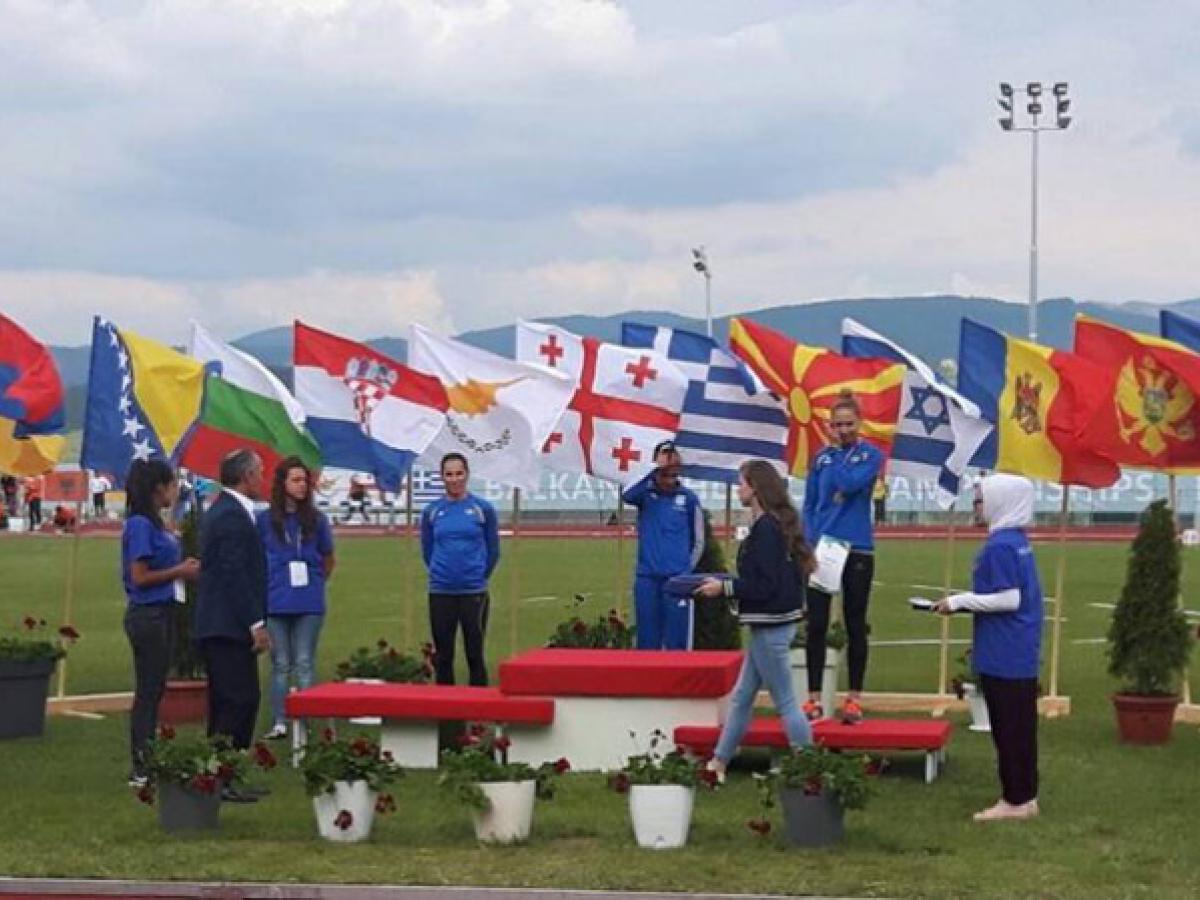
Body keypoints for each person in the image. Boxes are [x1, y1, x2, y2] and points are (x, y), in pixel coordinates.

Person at [932, 473, 1043, 821]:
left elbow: (1009, 599)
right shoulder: (1017, 541)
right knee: (1020, 727)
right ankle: (1025, 794)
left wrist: (959, 601)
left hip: (1004, 648)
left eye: (980, 500)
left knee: (1008, 726)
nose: (976, 506)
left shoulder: (1000, 546)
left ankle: (1015, 799)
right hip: (1018, 647)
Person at [696, 460, 813, 780]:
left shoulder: (766, 530)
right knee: (742, 698)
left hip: (771, 626)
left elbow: (764, 585)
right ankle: (719, 762)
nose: (739, 489)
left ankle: (809, 765)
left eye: (742, 483)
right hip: (771, 624)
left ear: (756, 488)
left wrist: (724, 588)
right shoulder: (775, 525)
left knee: (785, 702)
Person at [803, 390, 883, 724]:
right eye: (838, 425)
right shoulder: (820, 459)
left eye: (849, 424)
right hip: (824, 549)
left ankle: (853, 699)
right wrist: (808, 544)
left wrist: (837, 456)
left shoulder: (871, 456)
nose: (844, 430)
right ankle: (812, 699)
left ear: (859, 423)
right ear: (830, 425)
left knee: (854, 622)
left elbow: (849, 484)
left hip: (856, 548)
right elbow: (811, 504)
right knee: (816, 623)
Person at [195, 449, 269, 801]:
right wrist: (255, 622)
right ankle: (222, 776)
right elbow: (234, 573)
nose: (262, 479)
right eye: (259, 472)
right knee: (238, 701)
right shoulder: (230, 516)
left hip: (222, 622)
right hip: (226, 624)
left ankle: (221, 774)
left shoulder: (228, 511)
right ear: (246, 476)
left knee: (230, 701)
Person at [121, 460, 200, 787]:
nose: (175, 491)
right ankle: (142, 764)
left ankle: (148, 757)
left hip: (162, 611)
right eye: (171, 485)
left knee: (154, 690)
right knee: (149, 691)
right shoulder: (140, 525)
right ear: (158, 489)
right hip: (148, 614)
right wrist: (179, 571)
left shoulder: (154, 523)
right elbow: (139, 577)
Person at [256, 457, 336, 740]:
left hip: (309, 602)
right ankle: (280, 720)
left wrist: (315, 582)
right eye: (296, 480)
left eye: (305, 480)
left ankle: (304, 720)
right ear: (282, 484)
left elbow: (328, 558)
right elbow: (256, 558)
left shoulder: (317, 520)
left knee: (304, 662)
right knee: (280, 664)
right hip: (275, 600)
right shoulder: (264, 521)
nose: (302, 485)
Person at [420, 453, 499, 686]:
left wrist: (477, 574)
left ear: (467, 475)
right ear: (442, 477)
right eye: (449, 474)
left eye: (458, 473)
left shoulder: (482, 509)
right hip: (441, 591)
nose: (454, 479)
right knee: (443, 656)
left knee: (475, 654)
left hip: (473, 591)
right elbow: (427, 549)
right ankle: (447, 708)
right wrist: (441, 572)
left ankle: (479, 705)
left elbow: (493, 550)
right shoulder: (432, 511)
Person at [622, 441, 704, 650]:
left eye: (673, 457)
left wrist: (684, 570)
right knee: (647, 640)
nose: (669, 473)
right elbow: (627, 495)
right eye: (666, 456)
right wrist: (654, 468)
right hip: (647, 578)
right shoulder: (645, 495)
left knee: (677, 641)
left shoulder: (689, 499)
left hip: (678, 580)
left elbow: (698, 541)